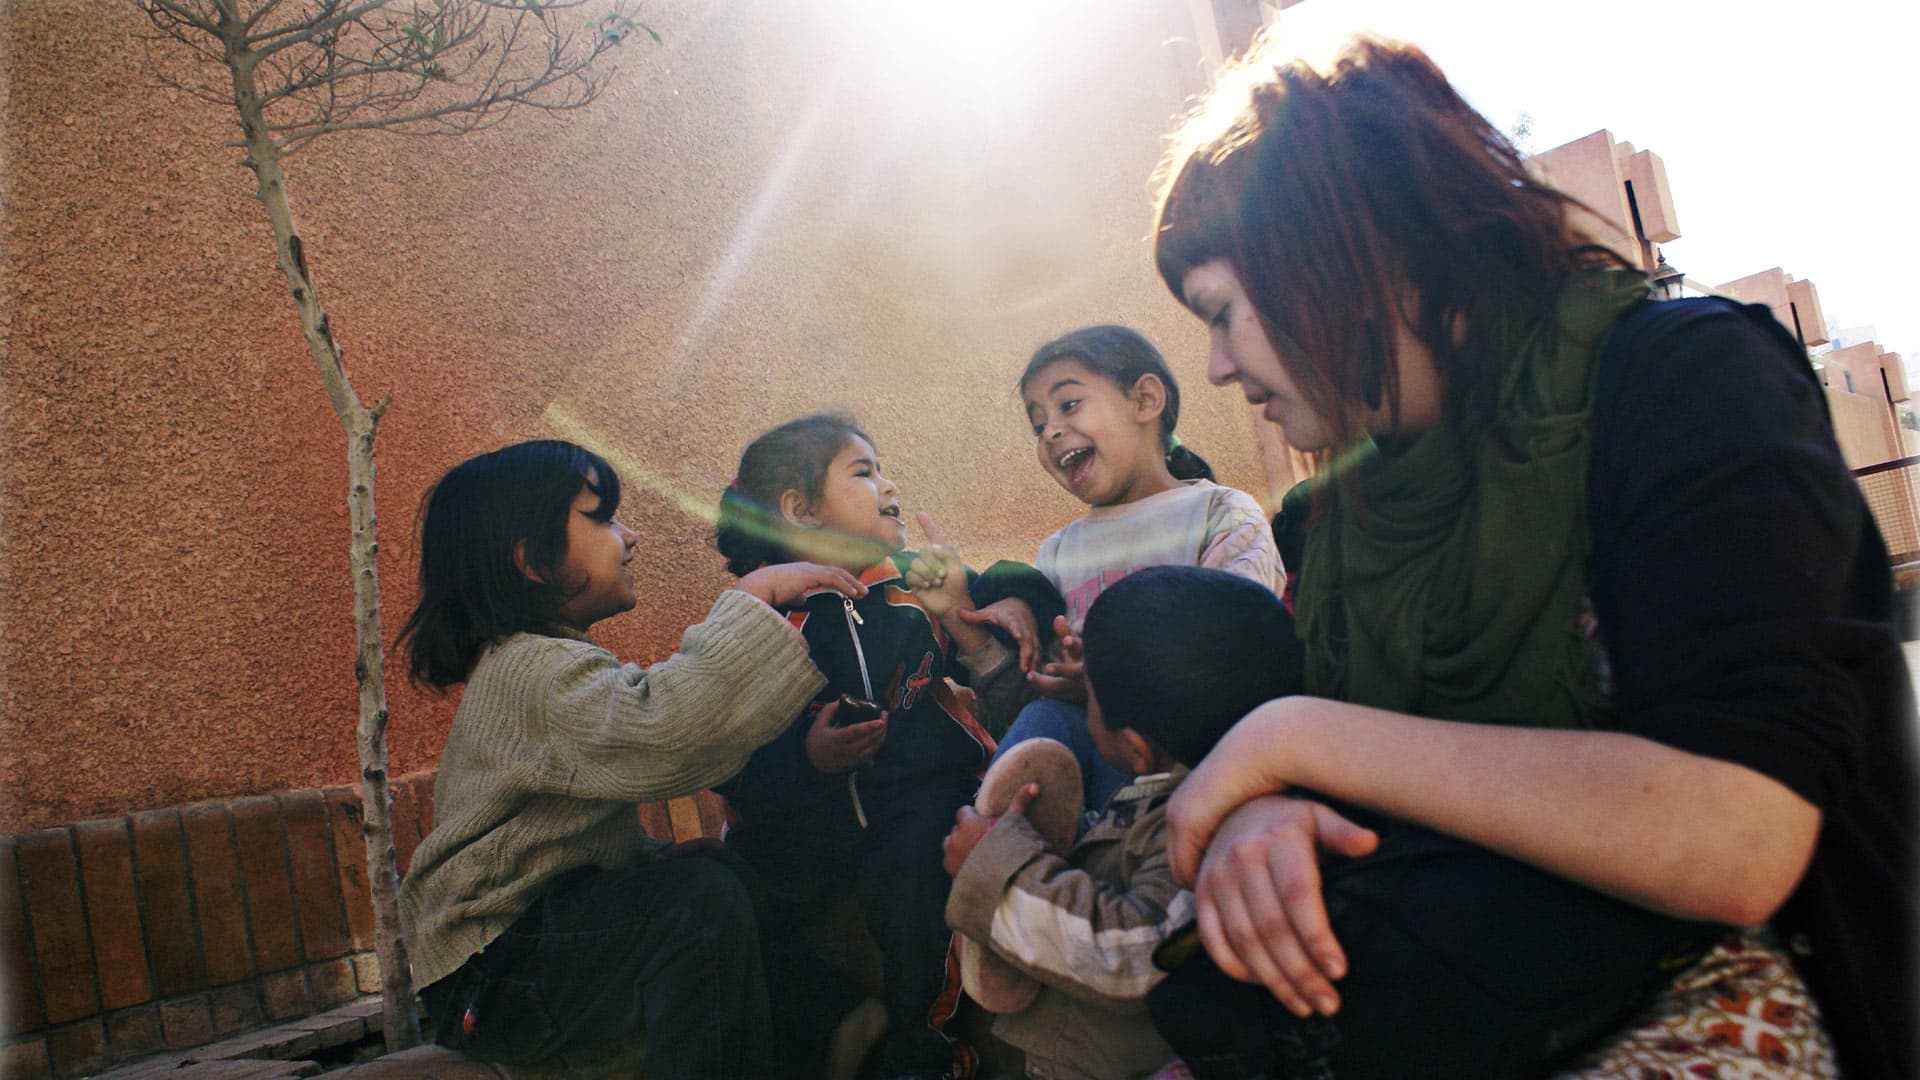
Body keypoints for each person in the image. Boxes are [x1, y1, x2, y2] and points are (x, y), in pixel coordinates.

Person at [1147, 34, 1915, 1080]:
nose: (1219, 366)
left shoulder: (1681, 382)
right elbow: (1402, 799)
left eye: (1222, 311)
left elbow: (1740, 834)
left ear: (1341, 248)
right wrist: (1273, 817)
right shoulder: (1341, 518)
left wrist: (1298, 739)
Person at [394, 439, 867, 1080]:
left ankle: (829, 1029)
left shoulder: (551, 664)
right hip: (492, 971)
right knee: (695, 905)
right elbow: (669, 732)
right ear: (534, 560)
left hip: (528, 952)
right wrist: (752, 600)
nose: (632, 533)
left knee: (722, 880)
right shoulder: (529, 671)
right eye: (603, 517)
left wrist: (651, 860)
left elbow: (553, 840)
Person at [713, 412, 1063, 1080]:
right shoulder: (760, 619)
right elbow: (730, 761)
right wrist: (806, 759)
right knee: (734, 887)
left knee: (911, 871)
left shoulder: (912, 584)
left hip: (920, 802)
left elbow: (1008, 584)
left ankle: (918, 1042)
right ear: (802, 511)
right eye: (864, 470)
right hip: (807, 826)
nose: (890, 482)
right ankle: (837, 1020)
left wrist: (1008, 602)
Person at [943, 566, 1308, 1080]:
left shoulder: (1196, 836)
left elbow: (1133, 956)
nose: (1079, 698)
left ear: (1136, 748)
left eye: (1088, 695)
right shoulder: (1194, 782)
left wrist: (992, 864)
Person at [993, 324, 1286, 816]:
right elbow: (1022, 693)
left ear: (1145, 400)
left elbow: (1239, 652)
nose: (1050, 432)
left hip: (1194, 766)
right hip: (1091, 766)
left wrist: (1110, 674)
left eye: (1068, 405)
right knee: (1044, 716)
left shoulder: (1221, 512)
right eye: (1037, 423)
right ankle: (999, 844)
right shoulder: (1059, 551)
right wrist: (980, 632)